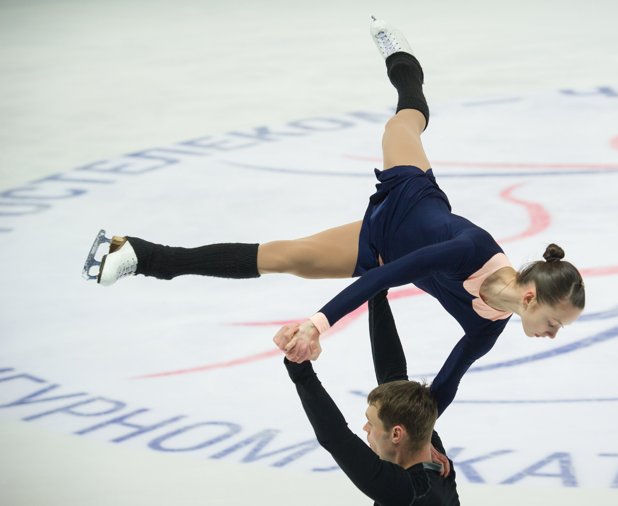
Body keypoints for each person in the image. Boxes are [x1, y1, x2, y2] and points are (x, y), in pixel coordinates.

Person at [85, 17, 586, 415]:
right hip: (410, 190)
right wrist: (317, 324)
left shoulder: (487, 328)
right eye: (555, 321)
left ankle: (138, 254)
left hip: (380, 241)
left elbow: (442, 392)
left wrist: (420, 443)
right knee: (406, 117)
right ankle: (403, 61)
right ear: (529, 294)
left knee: (287, 257)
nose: (552, 333)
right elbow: (390, 278)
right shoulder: (469, 251)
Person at [278, 289, 459, 504]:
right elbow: (394, 379)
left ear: (396, 434)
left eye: (371, 423)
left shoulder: (403, 490)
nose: (365, 428)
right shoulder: (432, 457)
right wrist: (376, 291)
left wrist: (300, 369)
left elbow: (336, 438)